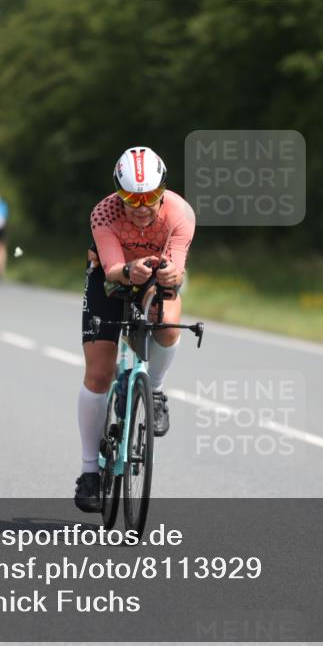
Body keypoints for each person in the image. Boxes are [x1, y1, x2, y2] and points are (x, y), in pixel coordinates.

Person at [75, 146, 195, 512]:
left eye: (150, 197)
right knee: (98, 373)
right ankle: (89, 472)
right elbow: (112, 270)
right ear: (117, 193)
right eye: (131, 198)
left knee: (168, 323)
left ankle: (154, 391)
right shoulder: (104, 212)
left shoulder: (180, 213)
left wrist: (170, 273)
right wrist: (128, 271)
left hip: (154, 276)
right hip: (111, 278)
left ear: (163, 190)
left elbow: (175, 269)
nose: (141, 207)